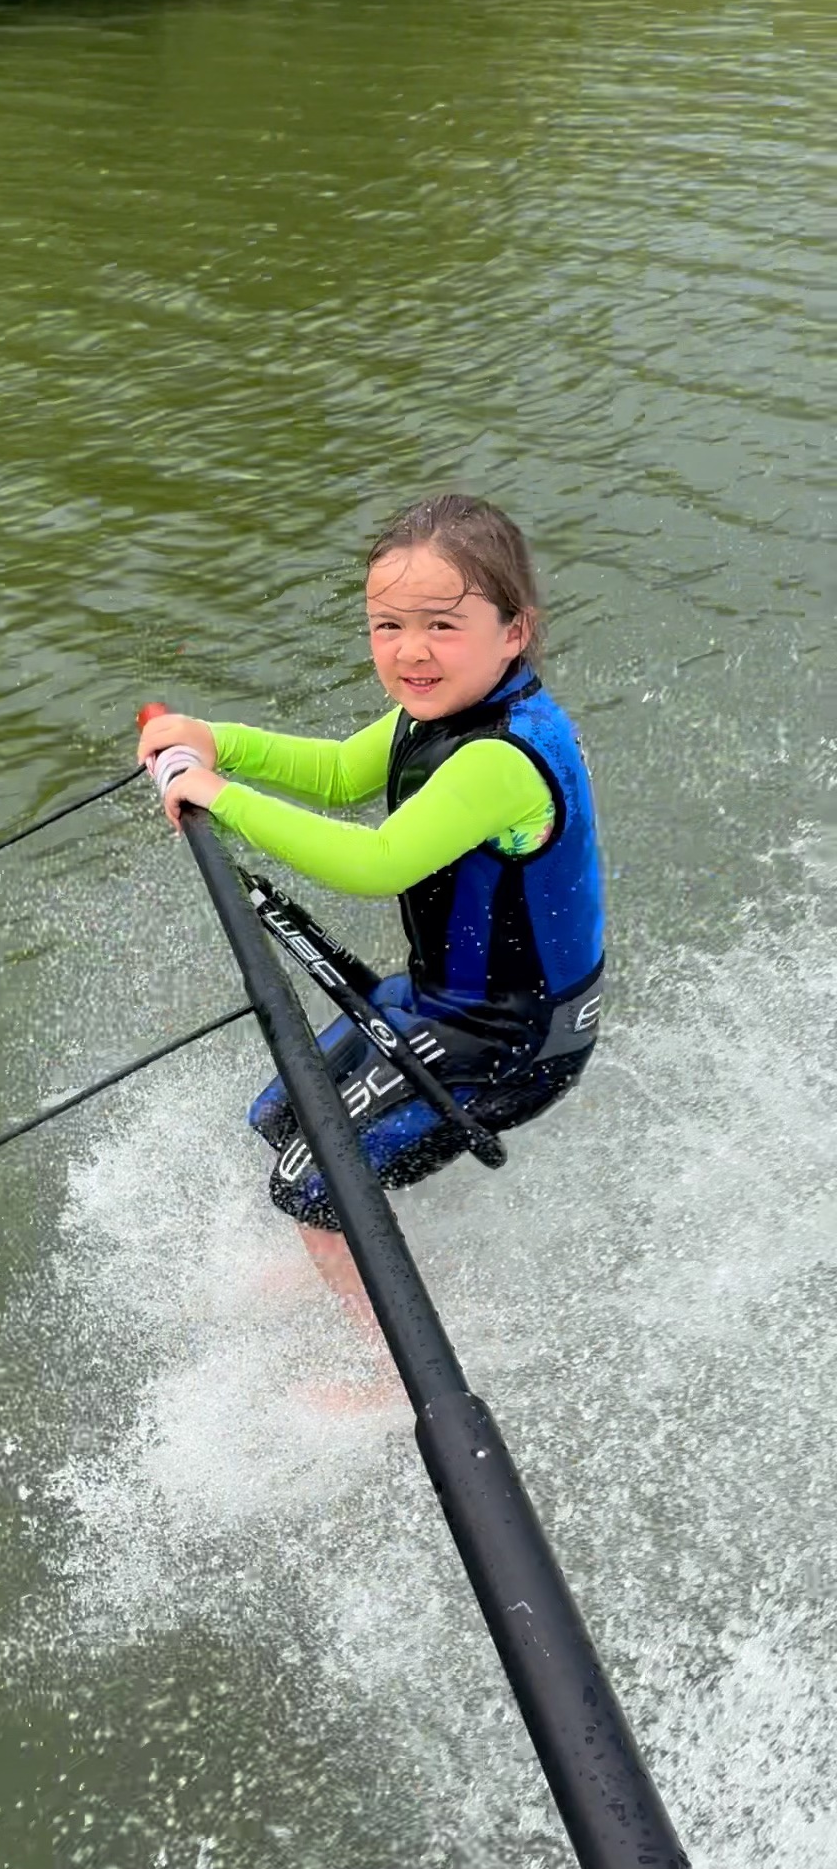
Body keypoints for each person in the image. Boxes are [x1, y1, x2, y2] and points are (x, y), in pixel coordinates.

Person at [137, 495, 604, 1352]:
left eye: (442, 624)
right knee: (282, 1117)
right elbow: (342, 773)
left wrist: (222, 798)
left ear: (514, 632)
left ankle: (394, 1365)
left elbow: (377, 862)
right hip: (441, 1004)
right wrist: (215, 739)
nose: (411, 650)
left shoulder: (502, 757)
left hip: (511, 1039)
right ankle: (355, 1257)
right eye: (388, 625)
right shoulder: (435, 713)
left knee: (318, 1185)